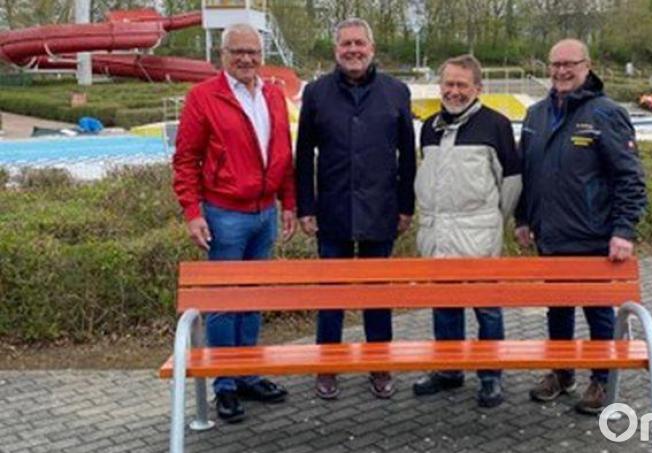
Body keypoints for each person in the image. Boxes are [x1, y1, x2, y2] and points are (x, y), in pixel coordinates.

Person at [514, 38, 647, 415]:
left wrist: (624, 230)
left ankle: (602, 380)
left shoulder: (605, 113)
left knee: (598, 313)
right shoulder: (536, 115)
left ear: (587, 65)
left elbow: (630, 177)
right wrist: (523, 218)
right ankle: (562, 372)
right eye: (555, 64)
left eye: (570, 63)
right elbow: (528, 174)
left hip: (593, 236)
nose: (561, 71)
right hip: (550, 235)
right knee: (557, 309)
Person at [172, 23, 296, 423]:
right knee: (224, 305)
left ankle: (248, 373)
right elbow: (186, 159)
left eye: (253, 52)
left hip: (265, 214)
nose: (246, 59)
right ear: (222, 55)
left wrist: (288, 203)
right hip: (224, 214)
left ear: (263, 56)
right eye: (237, 51)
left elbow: (283, 153)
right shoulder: (203, 97)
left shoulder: (274, 95)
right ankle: (225, 384)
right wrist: (193, 212)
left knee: (254, 298)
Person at [295, 18, 416, 400]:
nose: (353, 50)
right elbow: (303, 156)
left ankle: (380, 364)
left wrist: (405, 205)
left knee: (377, 295)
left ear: (372, 48)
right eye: (346, 44)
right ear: (336, 50)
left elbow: (407, 156)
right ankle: (327, 365)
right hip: (333, 211)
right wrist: (305, 206)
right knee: (330, 296)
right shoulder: (315, 93)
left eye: (359, 44)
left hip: (381, 210)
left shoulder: (396, 92)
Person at [411, 54, 521, 408]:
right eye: (448, 84)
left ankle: (490, 376)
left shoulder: (496, 125)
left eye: (461, 85)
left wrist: (492, 222)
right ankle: (449, 369)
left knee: (486, 310)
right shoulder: (429, 126)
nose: (453, 91)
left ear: (477, 88)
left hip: (478, 233)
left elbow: (511, 181)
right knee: (444, 307)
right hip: (437, 232)